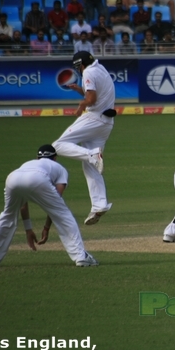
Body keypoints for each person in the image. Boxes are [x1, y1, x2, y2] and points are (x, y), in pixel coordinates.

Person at [0, 144, 99, 268]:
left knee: (8, 215)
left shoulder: (28, 163)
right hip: (37, 178)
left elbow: (22, 205)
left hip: (13, 177)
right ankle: (81, 257)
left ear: (38, 158)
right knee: (64, 215)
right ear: (55, 157)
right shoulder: (59, 168)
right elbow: (56, 206)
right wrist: (46, 228)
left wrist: (28, 229)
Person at [53, 51, 114, 225]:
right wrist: (80, 90)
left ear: (81, 64)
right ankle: (99, 205)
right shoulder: (100, 68)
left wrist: (81, 105)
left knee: (58, 145)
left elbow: (91, 99)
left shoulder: (88, 72)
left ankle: (93, 155)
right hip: (106, 123)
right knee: (90, 167)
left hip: (93, 118)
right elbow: (95, 96)